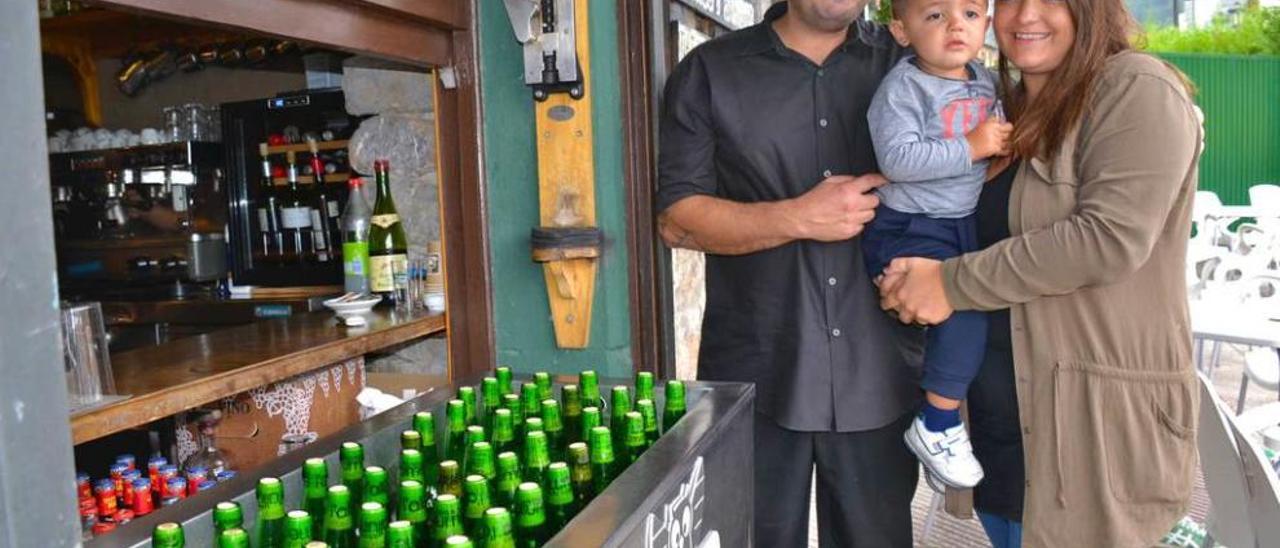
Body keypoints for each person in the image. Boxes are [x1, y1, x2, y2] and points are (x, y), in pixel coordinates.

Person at [877, 0, 1203, 542]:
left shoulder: (1136, 89)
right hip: (1005, 435)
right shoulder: (1003, 103)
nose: (1026, 15)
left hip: (1093, 440)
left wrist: (948, 283)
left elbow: (1108, 239)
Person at [655, 1, 924, 546]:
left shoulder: (912, 60)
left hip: (881, 373)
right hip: (758, 375)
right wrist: (798, 217)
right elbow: (676, 221)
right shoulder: (710, 71)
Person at [861, 0, 1012, 490]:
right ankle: (938, 423)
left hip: (960, 220)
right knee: (963, 308)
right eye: (934, 16)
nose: (955, 25)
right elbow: (898, 159)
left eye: (970, 14)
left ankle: (943, 419)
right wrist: (971, 146)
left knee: (972, 314)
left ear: (986, 26)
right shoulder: (902, 88)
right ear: (902, 31)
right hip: (911, 222)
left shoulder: (986, 82)